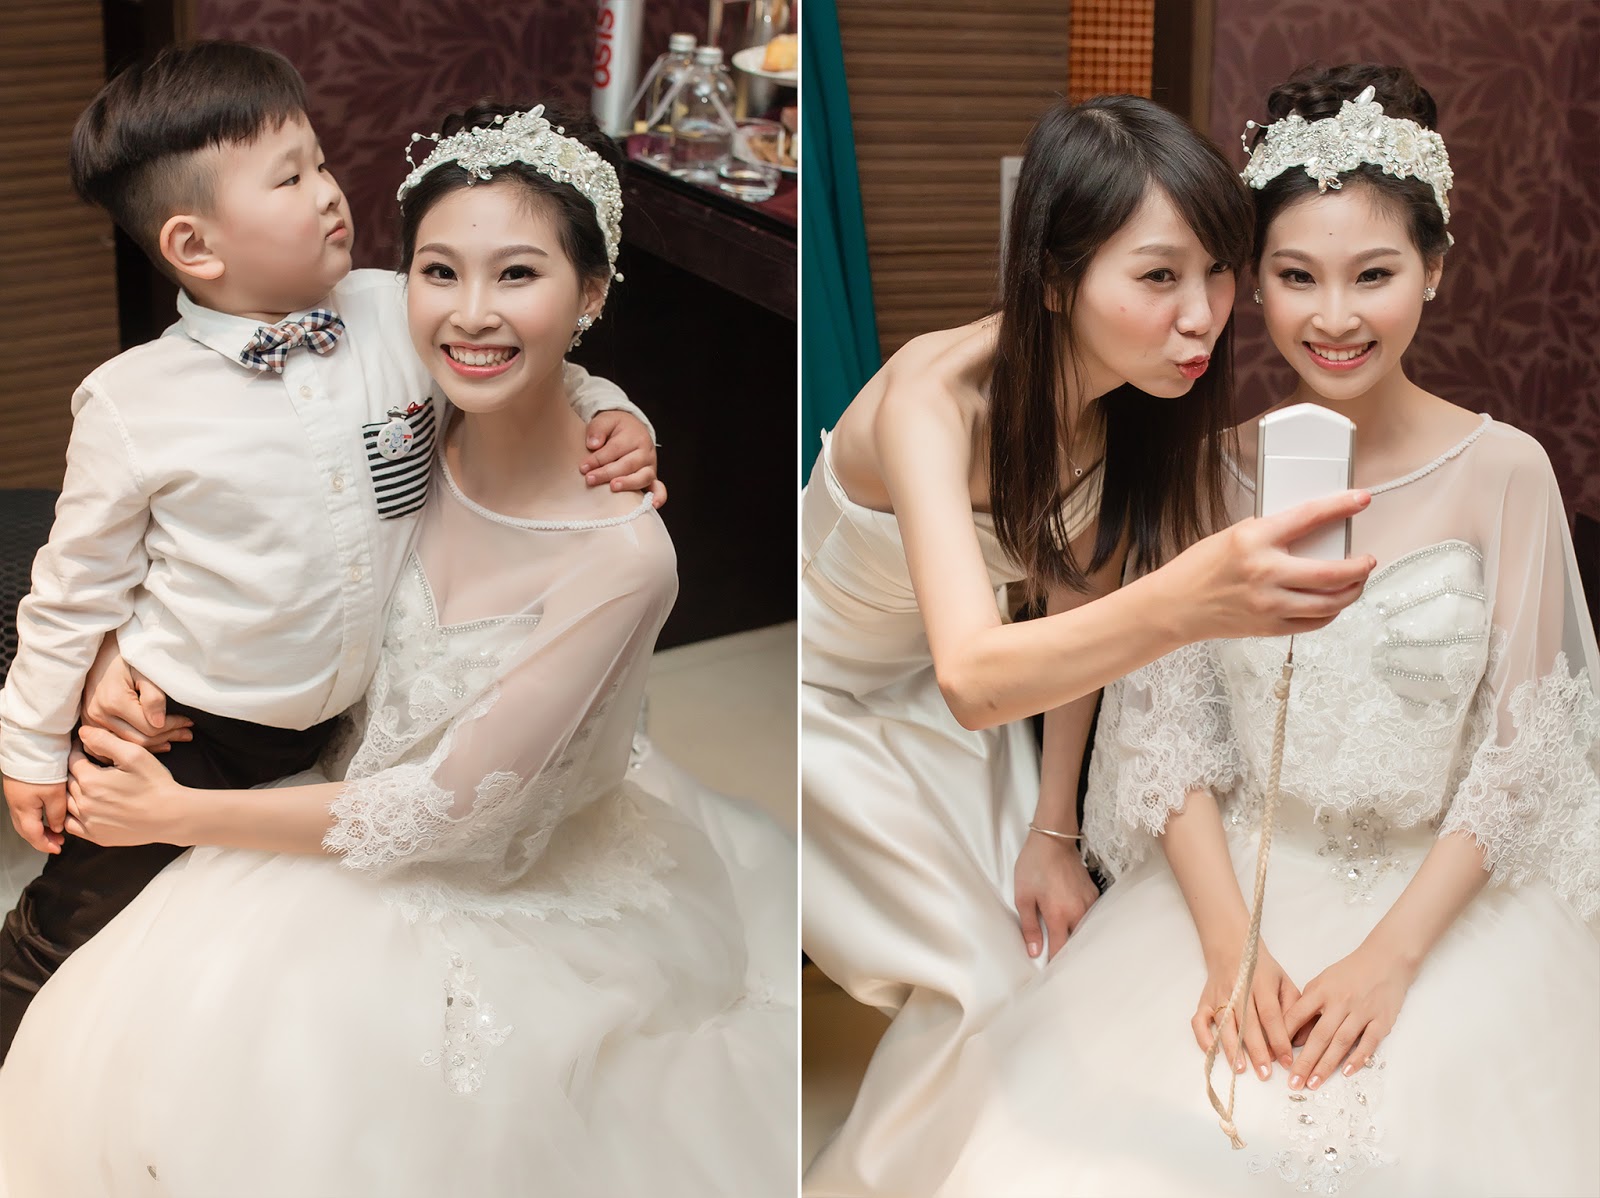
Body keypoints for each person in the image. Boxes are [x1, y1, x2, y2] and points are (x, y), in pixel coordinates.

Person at [0, 101, 797, 1197]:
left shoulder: (608, 544)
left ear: (593, 292)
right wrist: (105, 660)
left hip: (440, 841)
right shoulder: (395, 382)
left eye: (518, 274)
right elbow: (99, 566)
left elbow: (443, 811)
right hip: (260, 742)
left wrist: (625, 415)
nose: (470, 313)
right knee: (77, 970)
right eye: (440, 271)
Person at [845, 64, 1599, 1197]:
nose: (1333, 317)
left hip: (1438, 895)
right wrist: (1227, 941)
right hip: (1226, 882)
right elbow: (1167, 727)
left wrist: (1388, 960)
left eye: (1375, 273)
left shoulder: (1508, 472)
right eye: (1294, 276)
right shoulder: (1198, 463)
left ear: (1435, 269)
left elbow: (1521, 753)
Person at [0, 40, 659, 1059]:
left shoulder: (398, 309)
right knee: (79, 922)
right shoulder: (135, 403)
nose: (329, 192)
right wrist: (32, 749)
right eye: (289, 178)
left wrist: (617, 411)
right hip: (194, 720)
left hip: (347, 711)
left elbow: (523, 361)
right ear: (195, 245)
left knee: (246, 954)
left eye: (320, 161)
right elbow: (73, 586)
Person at [801, 94, 1376, 1191]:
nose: (1202, 315)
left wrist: (1052, 827)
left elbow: (1072, 611)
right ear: (1055, 279)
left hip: (958, 692)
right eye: (1158, 276)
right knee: (975, 981)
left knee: (1043, 964)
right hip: (824, 701)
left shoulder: (1126, 407)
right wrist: (1189, 597)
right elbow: (974, 677)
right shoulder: (936, 398)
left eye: (1218, 272)